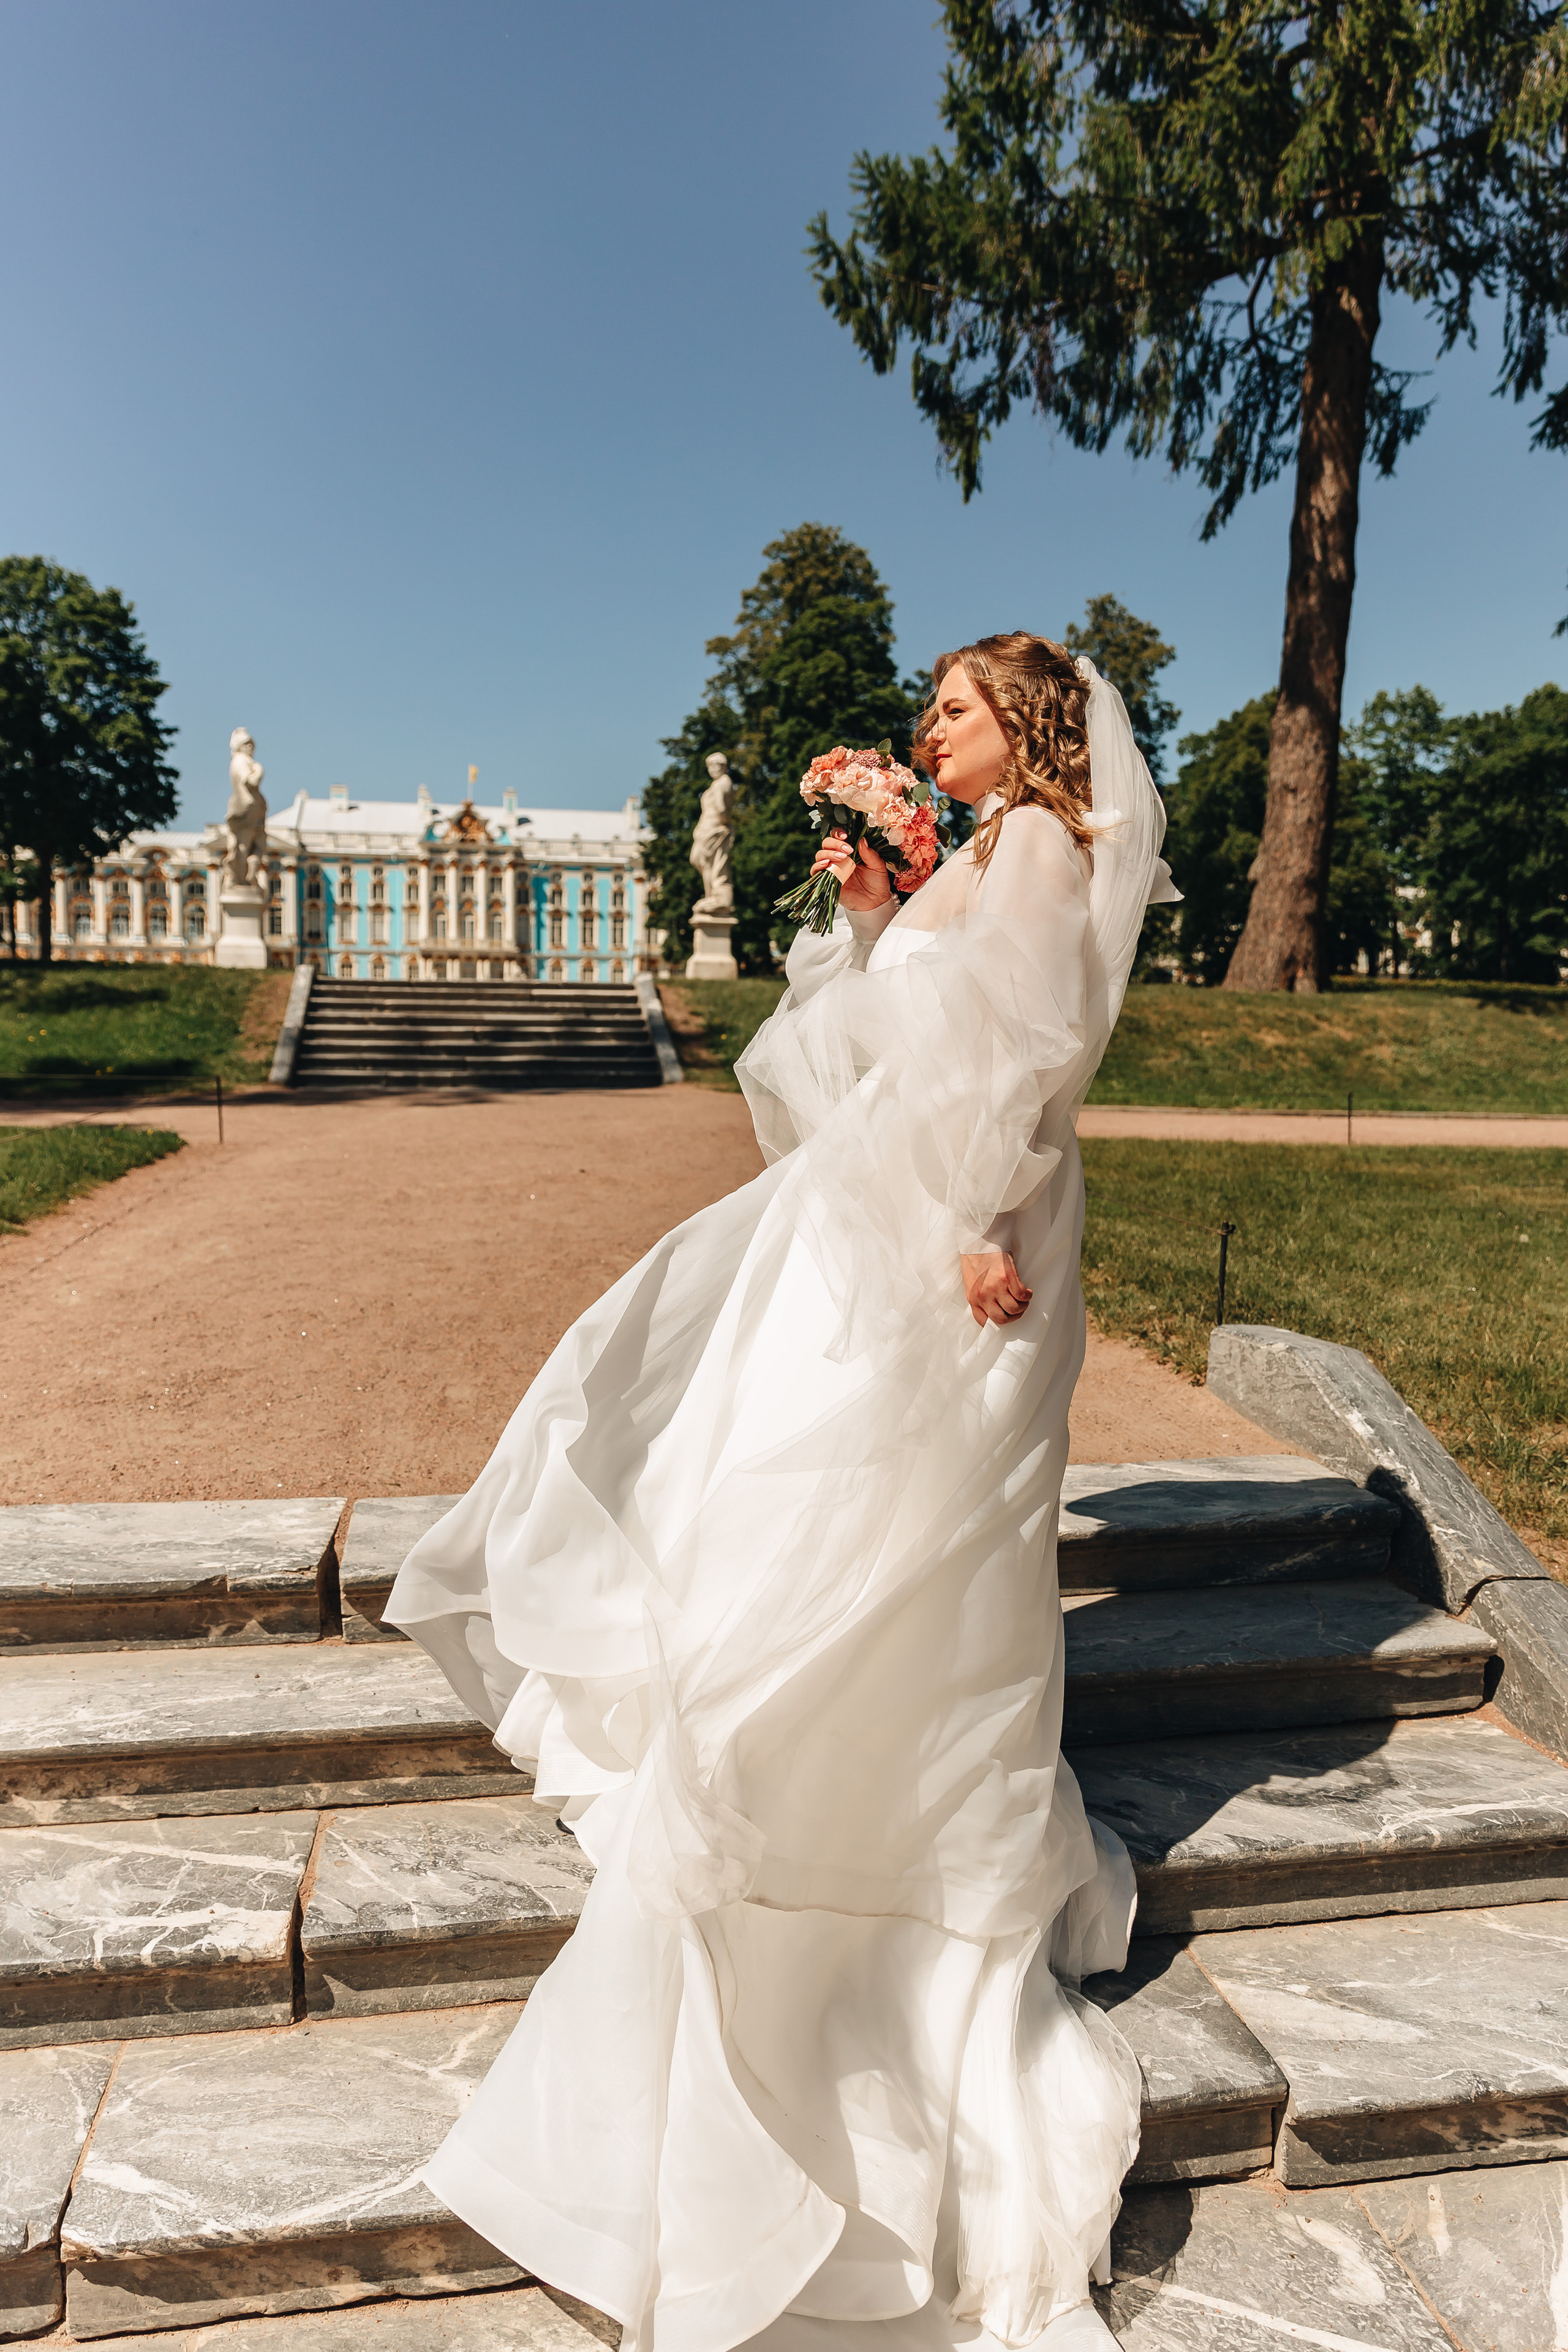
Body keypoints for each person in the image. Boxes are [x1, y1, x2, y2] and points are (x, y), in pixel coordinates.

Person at [386, 633, 1180, 2352]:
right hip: (894, 1217)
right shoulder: (976, 854)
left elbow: (1026, 1059)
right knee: (807, 1489)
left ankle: (851, 1821)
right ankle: (799, 1771)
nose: (928, 732)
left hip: (964, 1241)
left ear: (1030, 726)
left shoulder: (1044, 842)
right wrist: (891, 909)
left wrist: (971, 1228)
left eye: (955, 710)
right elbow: (915, 1031)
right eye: (928, 717)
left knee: (912, 1534)